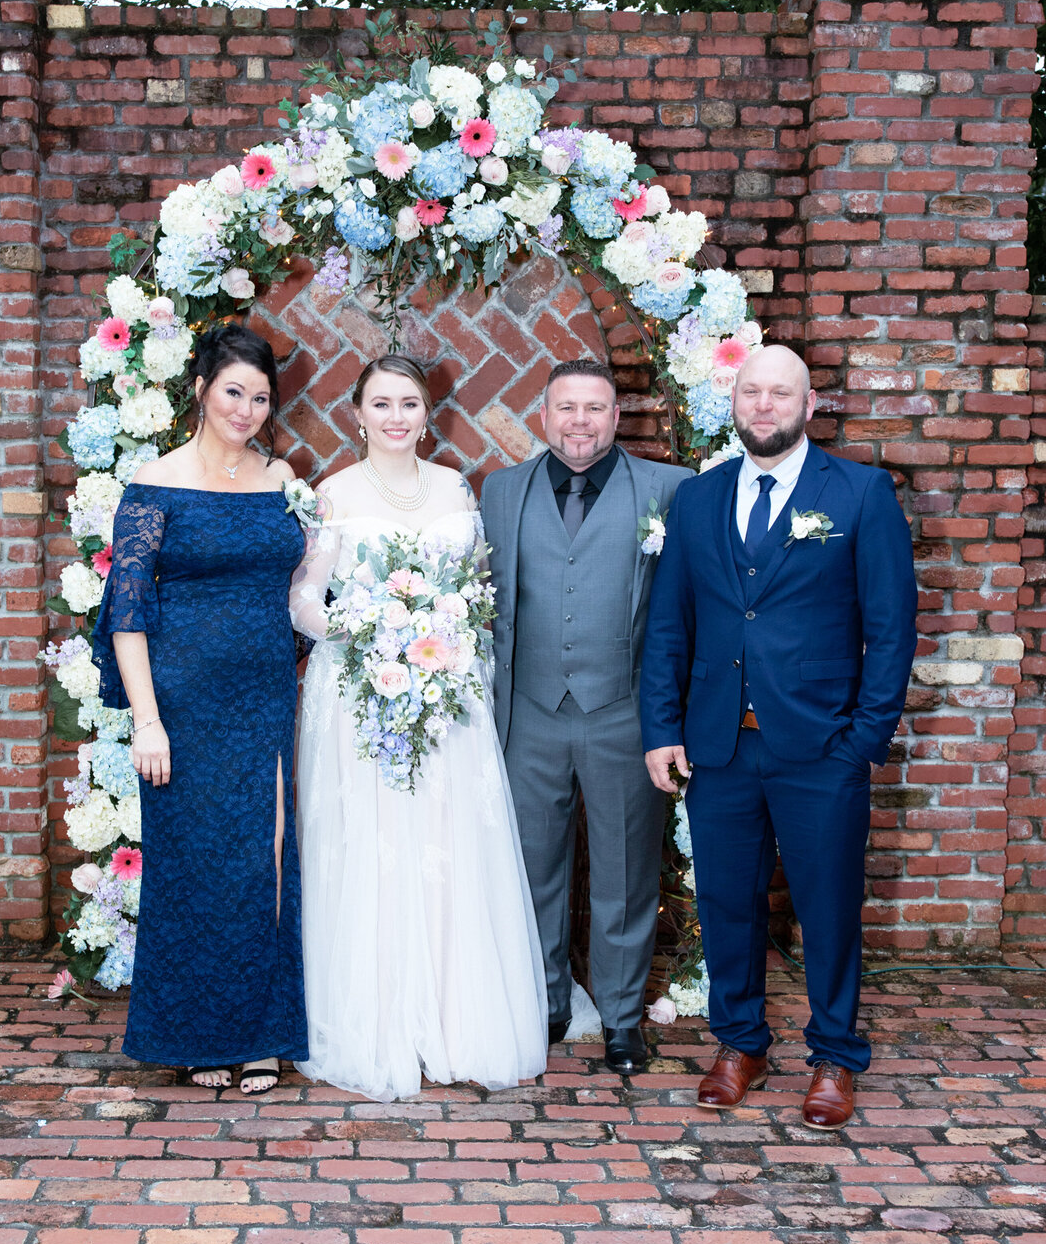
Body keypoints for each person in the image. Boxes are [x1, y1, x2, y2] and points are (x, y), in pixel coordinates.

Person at [641, 344, 918, 1128]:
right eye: (751, 392)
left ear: (808, 404)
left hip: (822, 747)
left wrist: (864, 738)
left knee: (828, 906)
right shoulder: (699, 499)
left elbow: (892, 630)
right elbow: (670, 624)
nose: (765, 406)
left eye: (780, 393)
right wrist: (663, 727)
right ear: (734, 400)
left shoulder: (860, 493)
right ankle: (741, 1042)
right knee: (728, 902)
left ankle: (834, 1055)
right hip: (720, 744)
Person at [289, 353, 548, 1103]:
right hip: (362, 689)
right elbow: (303, 599)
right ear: (358, 413)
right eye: (382, 403)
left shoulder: (454, 488)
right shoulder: (332, 493)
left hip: (444, 691)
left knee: (445, 841)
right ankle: (374, 1021)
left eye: (410, 403)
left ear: (427, 415)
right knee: (368, 840)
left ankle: (452, 1018)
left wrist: (446, 632)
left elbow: (478, 591)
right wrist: (359, 627)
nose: (397, 416)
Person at [90, 324, 309, 1094]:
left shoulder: (282, 478)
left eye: (258, 396)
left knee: (265, 862)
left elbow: (300, 583)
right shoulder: (154, 484)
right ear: (200, 391)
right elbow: (127, 610)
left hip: (265, 698)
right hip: (182, 704)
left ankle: (261, 1034)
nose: (246, 408)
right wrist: (147, 718)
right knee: (193, 866)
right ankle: (197, 1036)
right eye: (232, 392)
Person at [481, 360, 692, 1075]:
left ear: (616, 416)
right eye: (566, 407)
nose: (579, 421)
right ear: (543, 415)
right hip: (529, 712)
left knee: (626, 875)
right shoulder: (501, 491)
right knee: (532, 871)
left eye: (594, 408)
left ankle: (623, 1018)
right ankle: (544, 1004)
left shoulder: (671, 490)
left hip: (623, 715)